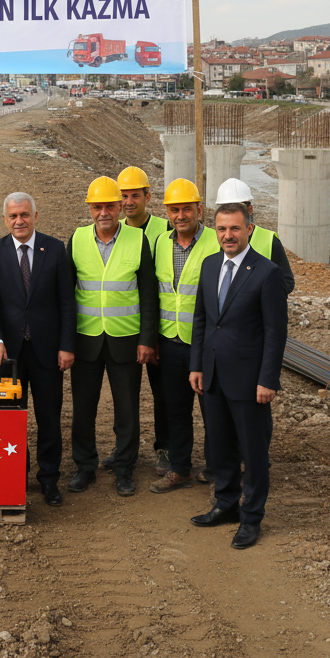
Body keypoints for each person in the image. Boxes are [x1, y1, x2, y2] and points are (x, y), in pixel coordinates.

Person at [189, 201, 288, 549]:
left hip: (249, 381)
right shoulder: (210, 264)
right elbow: (201, 320)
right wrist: (196, 365)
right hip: (213, 376)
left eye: (234, 228)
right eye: (221, 228)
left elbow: (276, 332)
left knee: (254, 452)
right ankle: (226, 505)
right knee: (220, 449)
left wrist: (268, 379)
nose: (227, 235)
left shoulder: (267, 273)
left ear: (249, 228)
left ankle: (251, 518)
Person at [0, 192, 76, 507]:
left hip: (48, 352)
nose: (19, 221)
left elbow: (66, 302)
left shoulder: (56, 249)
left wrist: (66, 346)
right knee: (11, 420)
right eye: (13, 216)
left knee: (48, 419)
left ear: (36, 215)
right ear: (4, 219)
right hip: (8, 354)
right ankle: (14, 476)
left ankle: (49, 480)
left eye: (24, 214)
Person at [67, 176, 158, 496]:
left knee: (127, 410)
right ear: (89, 208)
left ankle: (124, 468)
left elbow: (149, 295)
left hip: (126, 341)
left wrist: (147, 339)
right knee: (83, 409)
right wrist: (66, 342)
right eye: (97, 206)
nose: (103, 212)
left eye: (109, 205)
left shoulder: (137, 240)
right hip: (86, 340)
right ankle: (85, 467)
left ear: (121, 206)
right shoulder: (77, 239)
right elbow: (68, 296)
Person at [149, 178, 219, 494]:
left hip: (203, 344)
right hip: (170, 341)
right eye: (174, 210)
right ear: (167, 212)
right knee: (176, 409)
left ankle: (219, 468)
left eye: (186, 209)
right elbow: (155, 295)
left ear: (199, 210)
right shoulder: (161, 244)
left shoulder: (215, 243)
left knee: (213, 409)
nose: (180, 216)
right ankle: (180, 469)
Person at [100, 166, 170, 478]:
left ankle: (166, 449)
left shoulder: (164, 230)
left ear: (147, 197)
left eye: (135, 195)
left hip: (162, 327)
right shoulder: (114, 231)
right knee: (124, 395)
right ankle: (122, 449)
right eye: (123, 196)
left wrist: (153, 334)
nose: (129, 202)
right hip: (125, 330)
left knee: (163, 393)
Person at [213, 179, 295, 294]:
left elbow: (286, 281)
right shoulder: (212, 239)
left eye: (238, 208)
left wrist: (258, 298)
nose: (232, 213)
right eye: (226, 208)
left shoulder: (269, 240)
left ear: (249, 210)